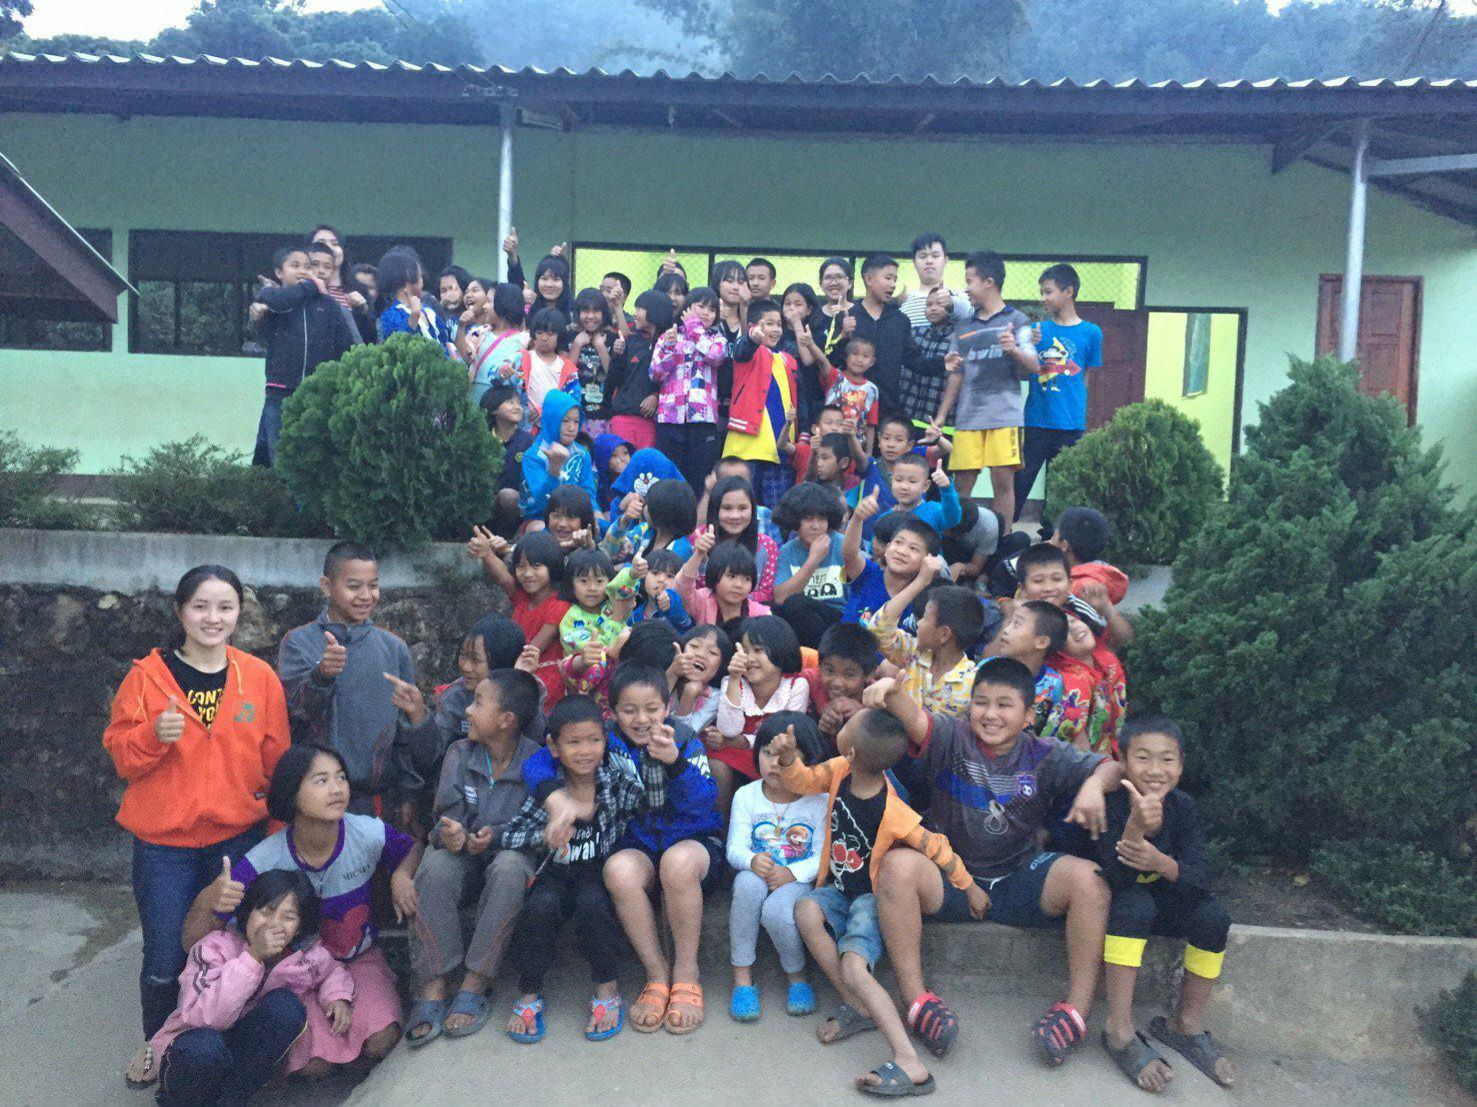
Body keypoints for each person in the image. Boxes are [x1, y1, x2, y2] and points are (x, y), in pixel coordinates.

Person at [868, 658, 1120, 1065]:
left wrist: (1093, 785)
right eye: (981, 702)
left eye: (1005, 704)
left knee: (1091, 880)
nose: (990, 714)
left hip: (1018, 878)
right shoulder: (950, 736)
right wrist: (891, 692)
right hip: (950, 877)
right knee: (897, 866)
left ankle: (1076, 1011)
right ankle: (915, 1000)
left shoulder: (1046, 754)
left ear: (1028, 715)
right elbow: (913, 717)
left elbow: (1112, 766)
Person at [108, 566, 291, 1084]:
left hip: (240, 838)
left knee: (234, 947)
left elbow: (278, 763)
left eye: (225, 607)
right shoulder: (147, 677)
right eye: (200, 606)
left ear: (239, 614)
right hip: (164, 845)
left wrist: (277, 835)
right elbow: (120, 756)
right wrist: (153, 735)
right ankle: (158, 1046)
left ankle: (220, 1044)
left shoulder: (258, 677)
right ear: (180, 611)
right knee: (165, 955)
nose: (213, 618)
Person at [775, 710, 982, 1097]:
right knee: (805, 910)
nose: (841, 727)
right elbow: (803, 781)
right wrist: (788, 761)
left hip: (870, 901)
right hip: (839, 889)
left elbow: (934, 846)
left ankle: (909, 1061)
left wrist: (969, 887)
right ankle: (858, 1007)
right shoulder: (839, 770)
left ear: (852, 751)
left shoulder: (894, 810)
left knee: (854, 968)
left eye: (847, 726)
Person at [182, 745, 422, 1076]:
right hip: (297, 971)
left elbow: (412, 849)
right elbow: (192, 941)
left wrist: (401, 875)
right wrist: (206, 900)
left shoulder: (366, 832)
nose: (337, 789)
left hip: (359, 958)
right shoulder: (264, 860)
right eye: (321, 781)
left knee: (383, 1040)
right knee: (313, 1067)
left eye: (341, 778)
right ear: (292, 793)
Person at [521, 665, 723, 1036]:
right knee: (617, 870)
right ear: (612, 711)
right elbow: (536, 762)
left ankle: (686, 973)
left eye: (652, 709)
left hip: (693, 846)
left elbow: (702, 805)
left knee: (677, 863)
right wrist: (554, 798)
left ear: (667, 707)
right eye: (629, 710)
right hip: (638, 845)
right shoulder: (607, 741)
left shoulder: (683, 738)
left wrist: (675, 763)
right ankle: (656, 974)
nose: (641, 719)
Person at [499, 695, 649, 1044]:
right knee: (539, 906)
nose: (585, 751)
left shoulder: (615, 782)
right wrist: (544, 835)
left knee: (593, 904)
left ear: (606, 742)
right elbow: (509, 835)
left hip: (598, 873)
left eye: (594, 740)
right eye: (574, 742)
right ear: (554, 747)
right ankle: (529, 991)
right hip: (555, 874)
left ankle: (607, 987)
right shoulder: (548, 792)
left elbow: (648, 802)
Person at [406, 671, 544, 1045]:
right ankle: (435, 982)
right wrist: (451, 834)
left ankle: (476, 981)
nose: (467, 710)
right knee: (435, 866)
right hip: (463, 858)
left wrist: (495, 836)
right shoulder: (459, 753)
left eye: (479, 703)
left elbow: (539, 826)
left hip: (509, 858)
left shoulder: (535, 760)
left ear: (506, 720)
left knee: (511, 867)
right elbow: (442, 820)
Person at [1098, 716, 1235, 1092]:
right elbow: (1114, 879)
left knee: (1214, 917)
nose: (1155, 770)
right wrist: (1134, 826)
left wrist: (1161, 863)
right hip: (1122, 906)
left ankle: (1185, 1024)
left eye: (1167, 759)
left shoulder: (1183, 807)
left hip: (1167, 901)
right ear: (1123, 761)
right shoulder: (1109, 805)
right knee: (1134, 906)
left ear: (1181, 765)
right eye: (1143, 758)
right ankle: (1119, 1030)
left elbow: (1200, 878)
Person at [147, 871, 348, 1102]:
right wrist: (253, 957)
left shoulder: (304, 958)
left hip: (240, 1051)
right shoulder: (214, 948)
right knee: (207, 1049)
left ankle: (230, 1101)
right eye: (266, 912)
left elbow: (331, 969)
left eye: (288, 917)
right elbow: (207, 1018)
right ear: (248, 912)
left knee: (286, 1008)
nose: (274, 924)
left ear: (300, 928)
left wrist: (337, 996)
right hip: (192, 1047)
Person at [276, 542, 434, 814]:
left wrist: (408, 794)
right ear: (327, 586)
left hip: (376, 801)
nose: (366, 596)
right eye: (353, 586)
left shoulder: (393, 648)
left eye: (373, 586)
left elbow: (403, 734)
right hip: (316, 800)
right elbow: (293, 716)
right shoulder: (299, 643)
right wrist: (321, 676)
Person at [727, 713, 828, 1022]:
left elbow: (822, 855)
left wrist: (792, 874)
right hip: (757, 874)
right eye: (767, 753)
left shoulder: (819, 801)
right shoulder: (746, 795)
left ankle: (797, 977)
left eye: (785, 756)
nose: (773, 763)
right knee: (746, 885)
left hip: (797, 880)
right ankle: (742, 980)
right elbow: (734, 848)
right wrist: (751, 861)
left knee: (776, 911)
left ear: (807, 762)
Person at [936, 251, 1040, 521]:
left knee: (1003, 484)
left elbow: (1034, 365)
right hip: (968, 419)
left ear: (989, 283)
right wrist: (941, 416)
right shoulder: (963, 327)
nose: (966, 289)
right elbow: (956, 375)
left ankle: (1002, 539)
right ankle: (958, 536)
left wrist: (1013, 350)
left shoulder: (1018, 320)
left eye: (969, 281)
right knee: (961, 486)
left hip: (1005, 418)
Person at [250, 245, 355, 466]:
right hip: (281, 393)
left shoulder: (328, 305)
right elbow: (272, 300)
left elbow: (346, 346)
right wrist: (310, 286)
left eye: (307, 267)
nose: (303, 271)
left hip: (318, 396)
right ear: (279, 272)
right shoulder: (273, 299)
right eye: (295, 266)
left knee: (314, 461)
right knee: (280, 459)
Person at [1015, 264, 1103, 520]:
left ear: (1068, 291)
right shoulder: (1036, 330)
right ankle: (1004, 531)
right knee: (1021, 481)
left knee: (1060, 488)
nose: (1043, 298)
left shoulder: (1092, 333)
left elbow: (1085, 376)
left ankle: (1052, 536)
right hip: (1036, 421)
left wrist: (1077, 411)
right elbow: (1023, 370)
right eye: (1041, 292)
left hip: (1071, 424)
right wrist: (1027, 346)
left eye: (1048, 292)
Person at [714, 615, 810, 816]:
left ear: (781, 650)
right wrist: (734, 679)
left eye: (758, 650)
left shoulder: (796, 686)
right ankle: (720, 828)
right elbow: (728, 730)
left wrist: (741, 741)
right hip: (735, 754)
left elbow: (785, 735)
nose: (749, 659)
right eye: (744, 651)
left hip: (774, 753)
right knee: (716, 763)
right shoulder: (732, 682)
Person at [866, 558, 986, 718]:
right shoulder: (914, 653)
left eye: (925, 617)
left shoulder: (972, 681)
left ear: (944, 634)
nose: (919, 623)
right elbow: (878, 629)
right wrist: (919, 582)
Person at [650, 288, 730, 492]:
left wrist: (693, 328)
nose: (706, 313)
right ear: (687, 307)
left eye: (712, 310)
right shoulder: (669, 336)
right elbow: (656, 374)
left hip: (702, 420)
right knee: (669, 480)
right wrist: (669, 347)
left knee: (699, 481)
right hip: (670, 419)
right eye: (701, 306)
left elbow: (715, 356)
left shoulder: (718, 339)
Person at [724, 300, 799, 509]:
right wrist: (751, 338)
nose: (775, 330)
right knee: (740, 507)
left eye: (779, 324)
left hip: (780, 450)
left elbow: (797, 400)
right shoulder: (750, 351)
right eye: (769, 324)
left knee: (778, 514)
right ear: (754, 326)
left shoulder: (788, 360)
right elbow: (741, 350)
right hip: (746, 448)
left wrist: (801, 437)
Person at [471, 529, 570, 675]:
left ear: (553, 566)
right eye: (521, 566)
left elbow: (529, 653)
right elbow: (503, 578)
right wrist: (486, 554)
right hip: (516, 671)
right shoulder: (523, 597)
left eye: (536, 565)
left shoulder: (559, 605)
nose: (527, 574)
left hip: (541, 677)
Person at [772, 481, 849, 648]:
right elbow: (780, 598)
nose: (816, 526)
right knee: (774, 609)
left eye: (822, 518)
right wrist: (813, 560)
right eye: (808, 519)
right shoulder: (787, 551)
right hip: (802, 623)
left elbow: (856, 595)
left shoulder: (842, 545)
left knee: (796, 603)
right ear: (795, 520)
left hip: (838, 622)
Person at [1049, 505, 1135, 647]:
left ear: (1064, 545)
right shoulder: (1100, 577)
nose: (1048, 542)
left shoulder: (1077, 588)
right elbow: (1125, 640)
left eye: (1053, 537)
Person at [845, 253, 916, 418]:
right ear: (869, 279)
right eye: (888, 278)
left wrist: (942, 363)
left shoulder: (900, 320)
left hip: (889, 407)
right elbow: (832, 361)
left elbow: (913, 359)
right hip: (852, 406)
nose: (893, 285)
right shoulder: (848, 316)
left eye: (895, 280)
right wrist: (843, 336)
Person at [985, 599, 1069, 735]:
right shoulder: (988, 668)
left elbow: (1049, 733)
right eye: (1010, 623)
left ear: (1042, 642)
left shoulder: (1054, 685)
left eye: (1016, 624)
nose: (1006, 630)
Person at [606, 290, 675, 451]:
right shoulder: (631, 341)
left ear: (654, 311)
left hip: (652, 422)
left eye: (639, 309)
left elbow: (672, 380)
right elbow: (613, 380)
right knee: (622, 461)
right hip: (623, 416)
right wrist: (617, 355)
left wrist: (656, 396)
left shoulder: (668, 345)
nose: (635, 314)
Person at [677, 531, 772, 641]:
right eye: (732, 576)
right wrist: (698, 554)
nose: (739, 585)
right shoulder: (702, 600)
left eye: (747, 579)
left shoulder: (762, 615)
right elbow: (682, 589)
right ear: (715, 574)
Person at [520, 389, 598, 520]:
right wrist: (554, 469)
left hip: (575, 517)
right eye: (565, 421)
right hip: (540, 518)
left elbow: (588, 494)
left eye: (576, 421)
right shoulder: (533, 456)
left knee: (601, 524)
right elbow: (541, 503)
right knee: (540, 529)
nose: (572, 428)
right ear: (552, 420)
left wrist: (595, 514)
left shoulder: (582, 454)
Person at [703, 474, 781, 604]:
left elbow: (767, 593)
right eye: (727, 508)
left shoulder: (767, 545)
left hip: (753, 612)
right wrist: (699, 556)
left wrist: (734, 601)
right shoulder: (701, 539)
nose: (735, 516)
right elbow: (694, 590)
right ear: (715, 510)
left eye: (742, 508)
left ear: (753, 510)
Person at [802, 622, 878, 753]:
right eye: (830, 671)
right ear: (819, 665)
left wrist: (864, 716)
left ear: (869, 674)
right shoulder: (807, 681)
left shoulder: (877, 699)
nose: (837, 682)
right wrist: (819, 728)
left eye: (849, 675)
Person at [557, 548, 640, 655]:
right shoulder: (570, 620)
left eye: (599, 581)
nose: (592, 588)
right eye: (583, 581)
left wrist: (633, 574)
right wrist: (617, 618)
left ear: (609, 582)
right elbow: (599, 653)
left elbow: (623, 587)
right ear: (571, 584)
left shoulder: (612, 603)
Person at [479, 384, 536, 533]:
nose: (517, 407)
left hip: (516, 509)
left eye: (519, 403)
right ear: (494, 409)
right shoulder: (482, 440)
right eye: (510, 402)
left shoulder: (529, 442)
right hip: (484, 507)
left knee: (508, 496)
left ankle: (512, 536)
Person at [376, 247, 453, 356]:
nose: (422, 282)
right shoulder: (390, 315)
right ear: (408, 277)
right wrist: (414, 317)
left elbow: (445, 342)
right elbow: (399, 348)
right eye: (420, 276)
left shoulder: (429, 312)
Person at [901, 285, 959, 429]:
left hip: (941, 421)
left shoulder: (957, 338)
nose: (933, 308)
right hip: (908, 415)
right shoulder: (915, 334)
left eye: (939, 304)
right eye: (929, 304)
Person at [603, 475, 697, 564]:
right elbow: (611, 552)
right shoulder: (645, 530)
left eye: (649, 504)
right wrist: (624, 520)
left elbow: (657, 572)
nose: (644, 506)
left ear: (662, 513)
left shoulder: (682, 549)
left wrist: (626, 568)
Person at [465, 283, 529, 406]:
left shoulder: (525, 340)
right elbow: (464, 356)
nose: (484, 306)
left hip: (503, 406)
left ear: (503, 305)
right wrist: (461, 327)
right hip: (475, 401)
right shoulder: (479, 333)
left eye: (489, 301)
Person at [874, 454, 962, 537]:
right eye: (899, 480)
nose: (904, 487)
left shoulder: (933, 511)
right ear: (891, 481)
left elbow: (953, 518)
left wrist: (947, 489)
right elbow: (875, 546)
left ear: (925, 486)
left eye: (912, 481)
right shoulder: (885, 518)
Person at [669, 624, 733, 739]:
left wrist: (689, 694)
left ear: (721, 666)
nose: (701, 654)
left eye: (712, 653)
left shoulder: (714, 698)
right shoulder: (665, 673)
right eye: (694, 646)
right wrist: (672, 673)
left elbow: (682, 737)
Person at [568, 287, 617, 438]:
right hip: (574, 412)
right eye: (585, 311)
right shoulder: (570, 336)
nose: (590, 316)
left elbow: (613, 375)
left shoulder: (611, 338)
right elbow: (566, 374)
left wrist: (601, 346)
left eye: (596, 311)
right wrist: (577, 345)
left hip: (603, 413)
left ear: (604, 313)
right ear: (578, 313)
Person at [822, 334, 881, 455]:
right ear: (846, 357)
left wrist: (868, 453)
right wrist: (810, 344)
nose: (859, 359)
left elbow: (871, 424)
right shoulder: (835, 377)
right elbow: (822, 361)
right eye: (854, 353)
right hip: (829, 443)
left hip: (855, 448)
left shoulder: (872, 390)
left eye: (865, 356)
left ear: (872, 362)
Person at [897, 232, 968, 330]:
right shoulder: (902, 302)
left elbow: (970, 313)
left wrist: (951, 303)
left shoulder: (958, 297)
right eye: (923, 256)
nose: (929, 261)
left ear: (945, 260)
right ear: (914, 263)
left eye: (935, 256)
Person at [629, 548, 694, 633]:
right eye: (655, 573)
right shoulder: (635, 615)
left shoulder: (678, 608)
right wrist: (632, 573)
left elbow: (675, 604)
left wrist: (670, 601)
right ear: (644, 575)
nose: (662, 580)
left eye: (670, 576)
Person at [813, 257, 855, 376]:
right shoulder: (813, 316)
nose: (833, 282)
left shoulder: (860, 313)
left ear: (850, 283)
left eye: (839, 277)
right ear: (821, 284)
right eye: (828, 278)